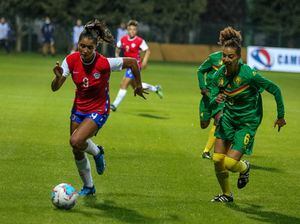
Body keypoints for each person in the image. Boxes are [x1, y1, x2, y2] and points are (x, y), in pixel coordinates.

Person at [51, 19, 147, 196]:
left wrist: (139, 85)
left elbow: (133, 62)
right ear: (78, 44)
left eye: (89, 47)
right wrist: (57, 78)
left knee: (75, 141)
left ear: (95, 47)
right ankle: (89, 187)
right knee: (76, 149)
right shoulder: (71, 60)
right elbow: (55, 88)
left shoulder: (104, 63)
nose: (85, 51)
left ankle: (97, 152)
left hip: (99, 108)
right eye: (82, 46)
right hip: (78, 108)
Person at [209, 27, 286, 202]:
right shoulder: (218, 76)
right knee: (217, 159)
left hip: (247, 122)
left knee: (229, 163)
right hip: (228, 118)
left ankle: (244, 168)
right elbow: (212, 99)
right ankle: (227, 195)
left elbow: (275, 89)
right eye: (224, 56)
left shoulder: (249, 75)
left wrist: (280, 115)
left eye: (231, 57)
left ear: (238, 57)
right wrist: (217, 102)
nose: (226, 60)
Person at [110, 20, 163, 112]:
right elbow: (118, 47)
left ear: (136, 31)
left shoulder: (139, 41)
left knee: (123, 84)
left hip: (135, 66)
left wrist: (145, 62)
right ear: (127, 30)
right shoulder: (123, 39)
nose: (132, 31)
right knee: (137, 86)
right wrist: (117, 57)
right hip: (128, 65)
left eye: (134, 29)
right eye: (130, 29)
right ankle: (155, 88)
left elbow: (147, 51)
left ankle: (114, 105)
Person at [197, 51, 224, 159]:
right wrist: (202, 87)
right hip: (208, 96)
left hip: (221, 97)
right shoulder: (213, 58)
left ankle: (206, 151)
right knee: (204, 124)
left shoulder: (237, 60)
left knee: (219, 121)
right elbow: (200, 71)